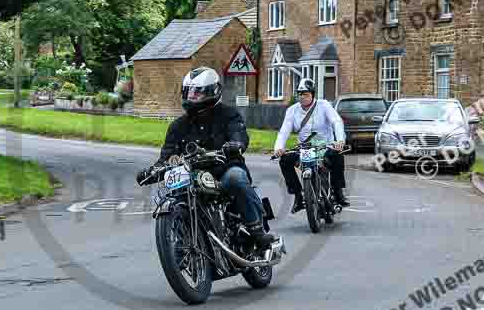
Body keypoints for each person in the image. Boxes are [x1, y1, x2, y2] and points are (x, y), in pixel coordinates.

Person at [136, 67, 276, 249]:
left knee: (236, 178)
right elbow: (167, 156)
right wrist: (153, 171)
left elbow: (238, 133)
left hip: (223, 170)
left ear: (213, 91)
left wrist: (236, 144)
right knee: (175, 195)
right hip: (191, 176)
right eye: (189, 92)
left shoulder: (228, 114)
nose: (192, 97)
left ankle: (257, 231)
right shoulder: (178, 126)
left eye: (198, 93)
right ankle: (182, 243)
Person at [273, 78, 350, 213]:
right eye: (300, 94)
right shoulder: (292, 110)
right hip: (305, 149)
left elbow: (336, 121)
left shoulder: (324, 105)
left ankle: (338, 192)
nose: (302, 97)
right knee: (284, 160)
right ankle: (298, 196)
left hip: (325, 147)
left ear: (313, 94)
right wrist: (278, 148)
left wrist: (339, 141)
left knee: (338, 156)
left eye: (306, 94)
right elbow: (284, 131)